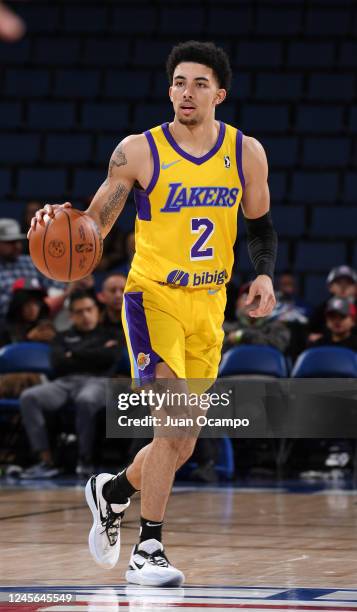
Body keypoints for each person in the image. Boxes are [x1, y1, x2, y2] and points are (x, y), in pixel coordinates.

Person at [29, 41, 277, 586]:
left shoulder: (245, 152)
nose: (188, 93)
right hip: (153, 298)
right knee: (174, 425)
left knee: (182, 441)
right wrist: (61, 222)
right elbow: (95, 221)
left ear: (220, 94)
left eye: (200, 84)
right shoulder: (138, 151)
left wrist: (261, 274)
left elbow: (258, 225)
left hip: (208, 304)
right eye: (180, 83)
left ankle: (111, 490)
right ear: (170, 90)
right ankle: (150, 549)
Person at [19, 290, 121, 479]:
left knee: (86, 399)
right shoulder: (61, 337)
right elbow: (58, 363)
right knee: (29, 397)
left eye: (89, 310)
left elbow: (109, 358)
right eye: (80, 312)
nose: (86, 315)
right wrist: (92, 353)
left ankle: (85, 461)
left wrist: (73, 353)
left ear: (97, 311)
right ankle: (45, 460)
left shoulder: (111, 333)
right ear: (71, 316)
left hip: (99, 381)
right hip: (64, 382)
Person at [0, 218, 64, 320]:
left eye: (18, 241)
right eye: (10, 242)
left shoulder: (30, 261)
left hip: (40, 318)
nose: (17, 246)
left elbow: (57, 287)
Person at [224, 282, 290, 354]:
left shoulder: (277, 329)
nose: (251, 301)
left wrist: (242, 335)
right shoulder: (223, 329)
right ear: (237, 303)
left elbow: (279, 344)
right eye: (246, 296)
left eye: (258, 297)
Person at [0, 277, 54, 346]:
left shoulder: (45, 325)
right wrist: (28, 339)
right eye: (28, 303)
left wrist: (53, 340)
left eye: (37, 303)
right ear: (18, 303)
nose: (33, 308)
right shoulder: (4, 328)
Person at [308, 265, 357, 342]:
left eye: (349, 283)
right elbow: (310, 334)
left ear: (355, 288)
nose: (343, 287)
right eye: (338, 283)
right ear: (330, 287)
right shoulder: (321, 309)